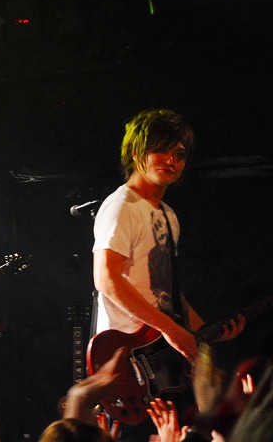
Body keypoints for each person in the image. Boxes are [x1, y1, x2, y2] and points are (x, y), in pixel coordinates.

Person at [92, 109, 243, 440]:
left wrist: (204, 332)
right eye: (161, 149)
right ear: (137, 152)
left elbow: (165, 291)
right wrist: (172, 330)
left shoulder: (168, 215)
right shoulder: (122, 206)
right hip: (127, 358)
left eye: (179, 154)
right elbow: (106, 280)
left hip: (159, 356)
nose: (171, 160)